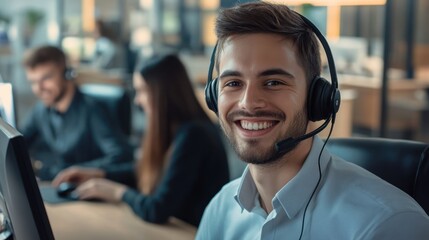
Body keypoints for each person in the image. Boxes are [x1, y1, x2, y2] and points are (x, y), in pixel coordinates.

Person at [196, 2, 429, 240]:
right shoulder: (221, 208)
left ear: (317, 97)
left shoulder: (386, 224)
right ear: (214, 96)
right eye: (233, 83)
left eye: (274, 82)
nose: (248, 102)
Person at [52, 54, 230, 227]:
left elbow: (157, 209)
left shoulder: (194, 135)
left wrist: (115, 192)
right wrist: (98, 174)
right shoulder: (176, 130)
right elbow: (145, 171)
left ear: (162, 94)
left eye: (142, 91)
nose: (137, 101)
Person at [21, 45, 133, 180]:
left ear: (67, 73)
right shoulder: (41, 110)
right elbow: (18, 143)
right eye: (33, 82)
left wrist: (81, 171)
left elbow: (121, 156)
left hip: (91, 189)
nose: (39, 89)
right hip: (58, 184)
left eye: (46, 78)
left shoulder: (92, 110)